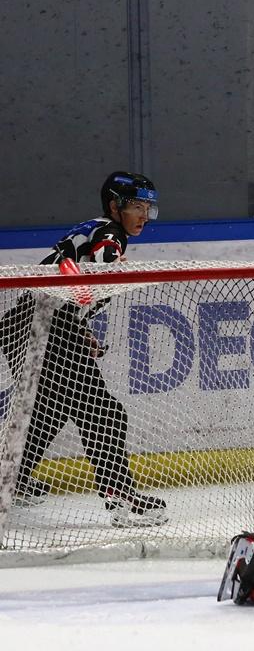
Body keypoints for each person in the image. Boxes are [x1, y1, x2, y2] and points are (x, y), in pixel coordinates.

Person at [1, 170, 166, 526]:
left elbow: (68, 285)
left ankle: (10, 480)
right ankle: (120, 497)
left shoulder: (92, 228)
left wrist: (79, 328)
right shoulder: (110, 232)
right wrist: (110, 267)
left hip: (23, 326)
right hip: (46, 328)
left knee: (48, 411)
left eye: (148, 209)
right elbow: (103, 260)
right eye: (137, 206)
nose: (144, 216)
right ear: (115, 206)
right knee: (105, 413)